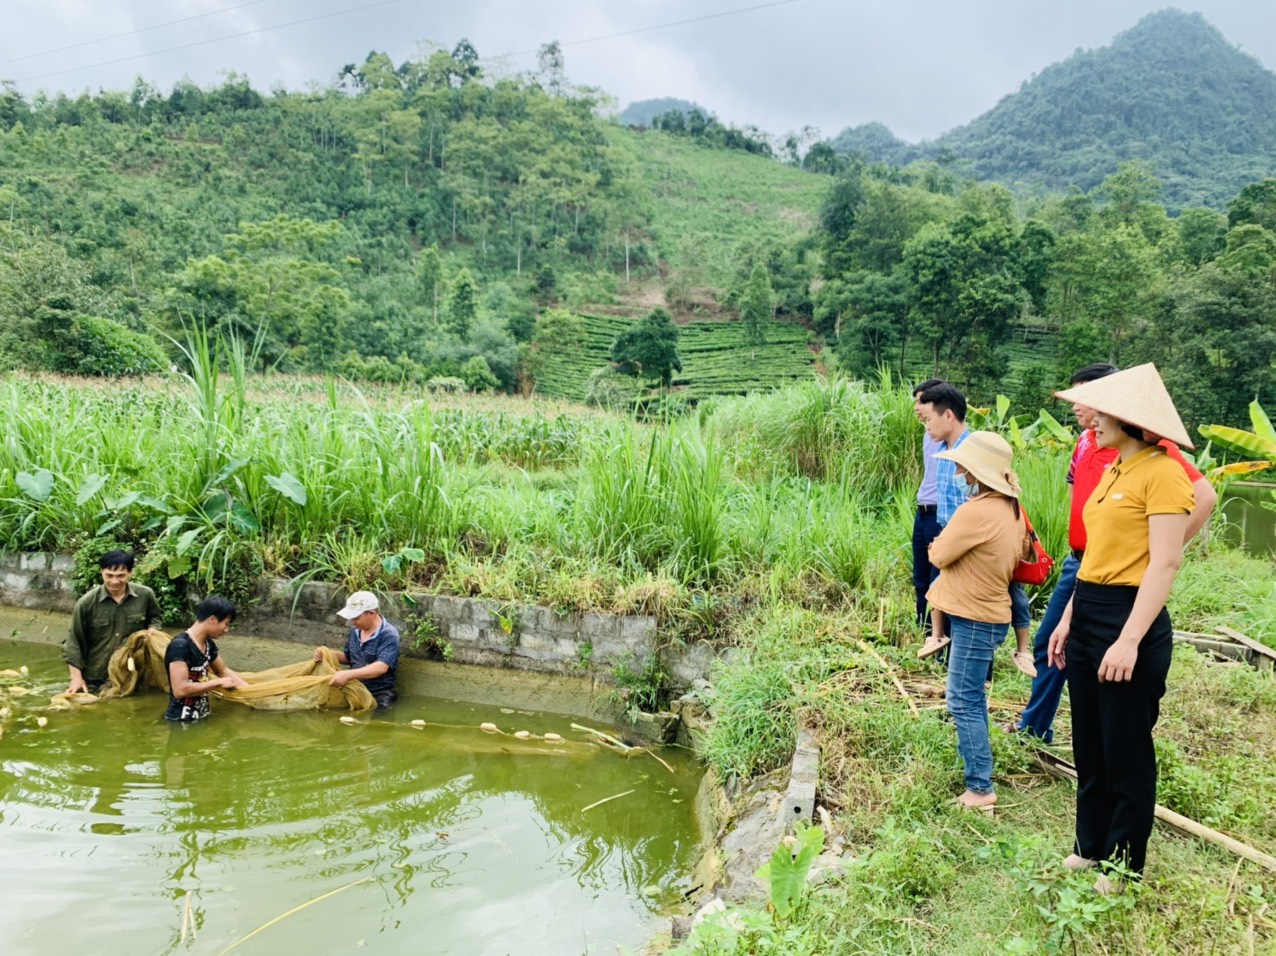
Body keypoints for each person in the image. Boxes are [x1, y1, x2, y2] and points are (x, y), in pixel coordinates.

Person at [1009, 363, 1217, 742]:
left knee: (1116, 704)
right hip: (1085, 565)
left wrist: (1156, 552)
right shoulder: (1093, 446)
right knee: (1054, 643)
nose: (1082, 407)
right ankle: (1037, 725)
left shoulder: (1150, 453)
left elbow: (1203, 497)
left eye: (1093, 399)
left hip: (1118, 581)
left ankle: (1042, 727)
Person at [1047, 364, 1196, 885]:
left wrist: (1129, 639)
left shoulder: (1164, 472)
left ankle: (1123, 860)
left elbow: (1165, 563)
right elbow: (1095, 555)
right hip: (1089, 609)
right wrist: (1069, 616)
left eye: (1101, 411)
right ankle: (1090, 844)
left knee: (1125, 747)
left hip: (1129, 617)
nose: (1090, 420)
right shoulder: (1113, 468)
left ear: (1130, 419)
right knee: (1089, 741)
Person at [926, 431, 1030, 811]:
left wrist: (937, 549)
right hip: (992, 614)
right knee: (969, 698)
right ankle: (978, 774)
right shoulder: (1011, 508)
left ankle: (980, 788)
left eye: (961, 465)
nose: (958, 470)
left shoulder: (976, 511)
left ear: (975, 471)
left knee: (963, 700)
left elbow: (939, 555)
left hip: (975, 617)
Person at [916, 384, 1034, 673]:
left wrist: (946, 546)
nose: (926, 424)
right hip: (949, 532)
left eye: (929, 418)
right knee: (938, 590)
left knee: (973, 606)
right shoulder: (940, 446)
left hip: (974, 543)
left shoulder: (980, 455)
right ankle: (944, 649)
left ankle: (983, 666)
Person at [64, 549, 163, 694]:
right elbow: (74, 643)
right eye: (109, 575)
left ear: (130, 573)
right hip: (96, 675)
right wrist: (76, 678)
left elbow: (155, 617)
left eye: (121, 576)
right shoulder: (86, 603)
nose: (114, 581)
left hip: (132, 672)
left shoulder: (145, 595)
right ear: (101, 572)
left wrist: (153, 630)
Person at [164, 595, 249, 722]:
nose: (226, 630)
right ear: (212, 619)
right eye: (226, 624)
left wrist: (251, 692)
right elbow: (179, 689)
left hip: (202, 716)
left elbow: (222, 671)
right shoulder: (180, 646)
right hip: (180, 720)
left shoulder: (208, 644)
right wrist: (216, 683)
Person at [315, 590, 401, 708]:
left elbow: (381, 667)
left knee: (376, 721)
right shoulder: (356, 631)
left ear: (371, 613)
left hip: (379, 693)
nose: (353, 622)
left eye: (356, 618)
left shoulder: (388, 634)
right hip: (354, 688)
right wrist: (327, 654)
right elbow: (349, 657)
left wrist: (348, 675)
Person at [911, 379, 947, 632]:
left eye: (922, 401)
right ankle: (923, 628)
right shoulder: (927, 434)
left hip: (939, 514)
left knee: (939, 577)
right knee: (921, 575)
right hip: (922, 510)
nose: (917, 407)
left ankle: (940, 633)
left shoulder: (951, 439)